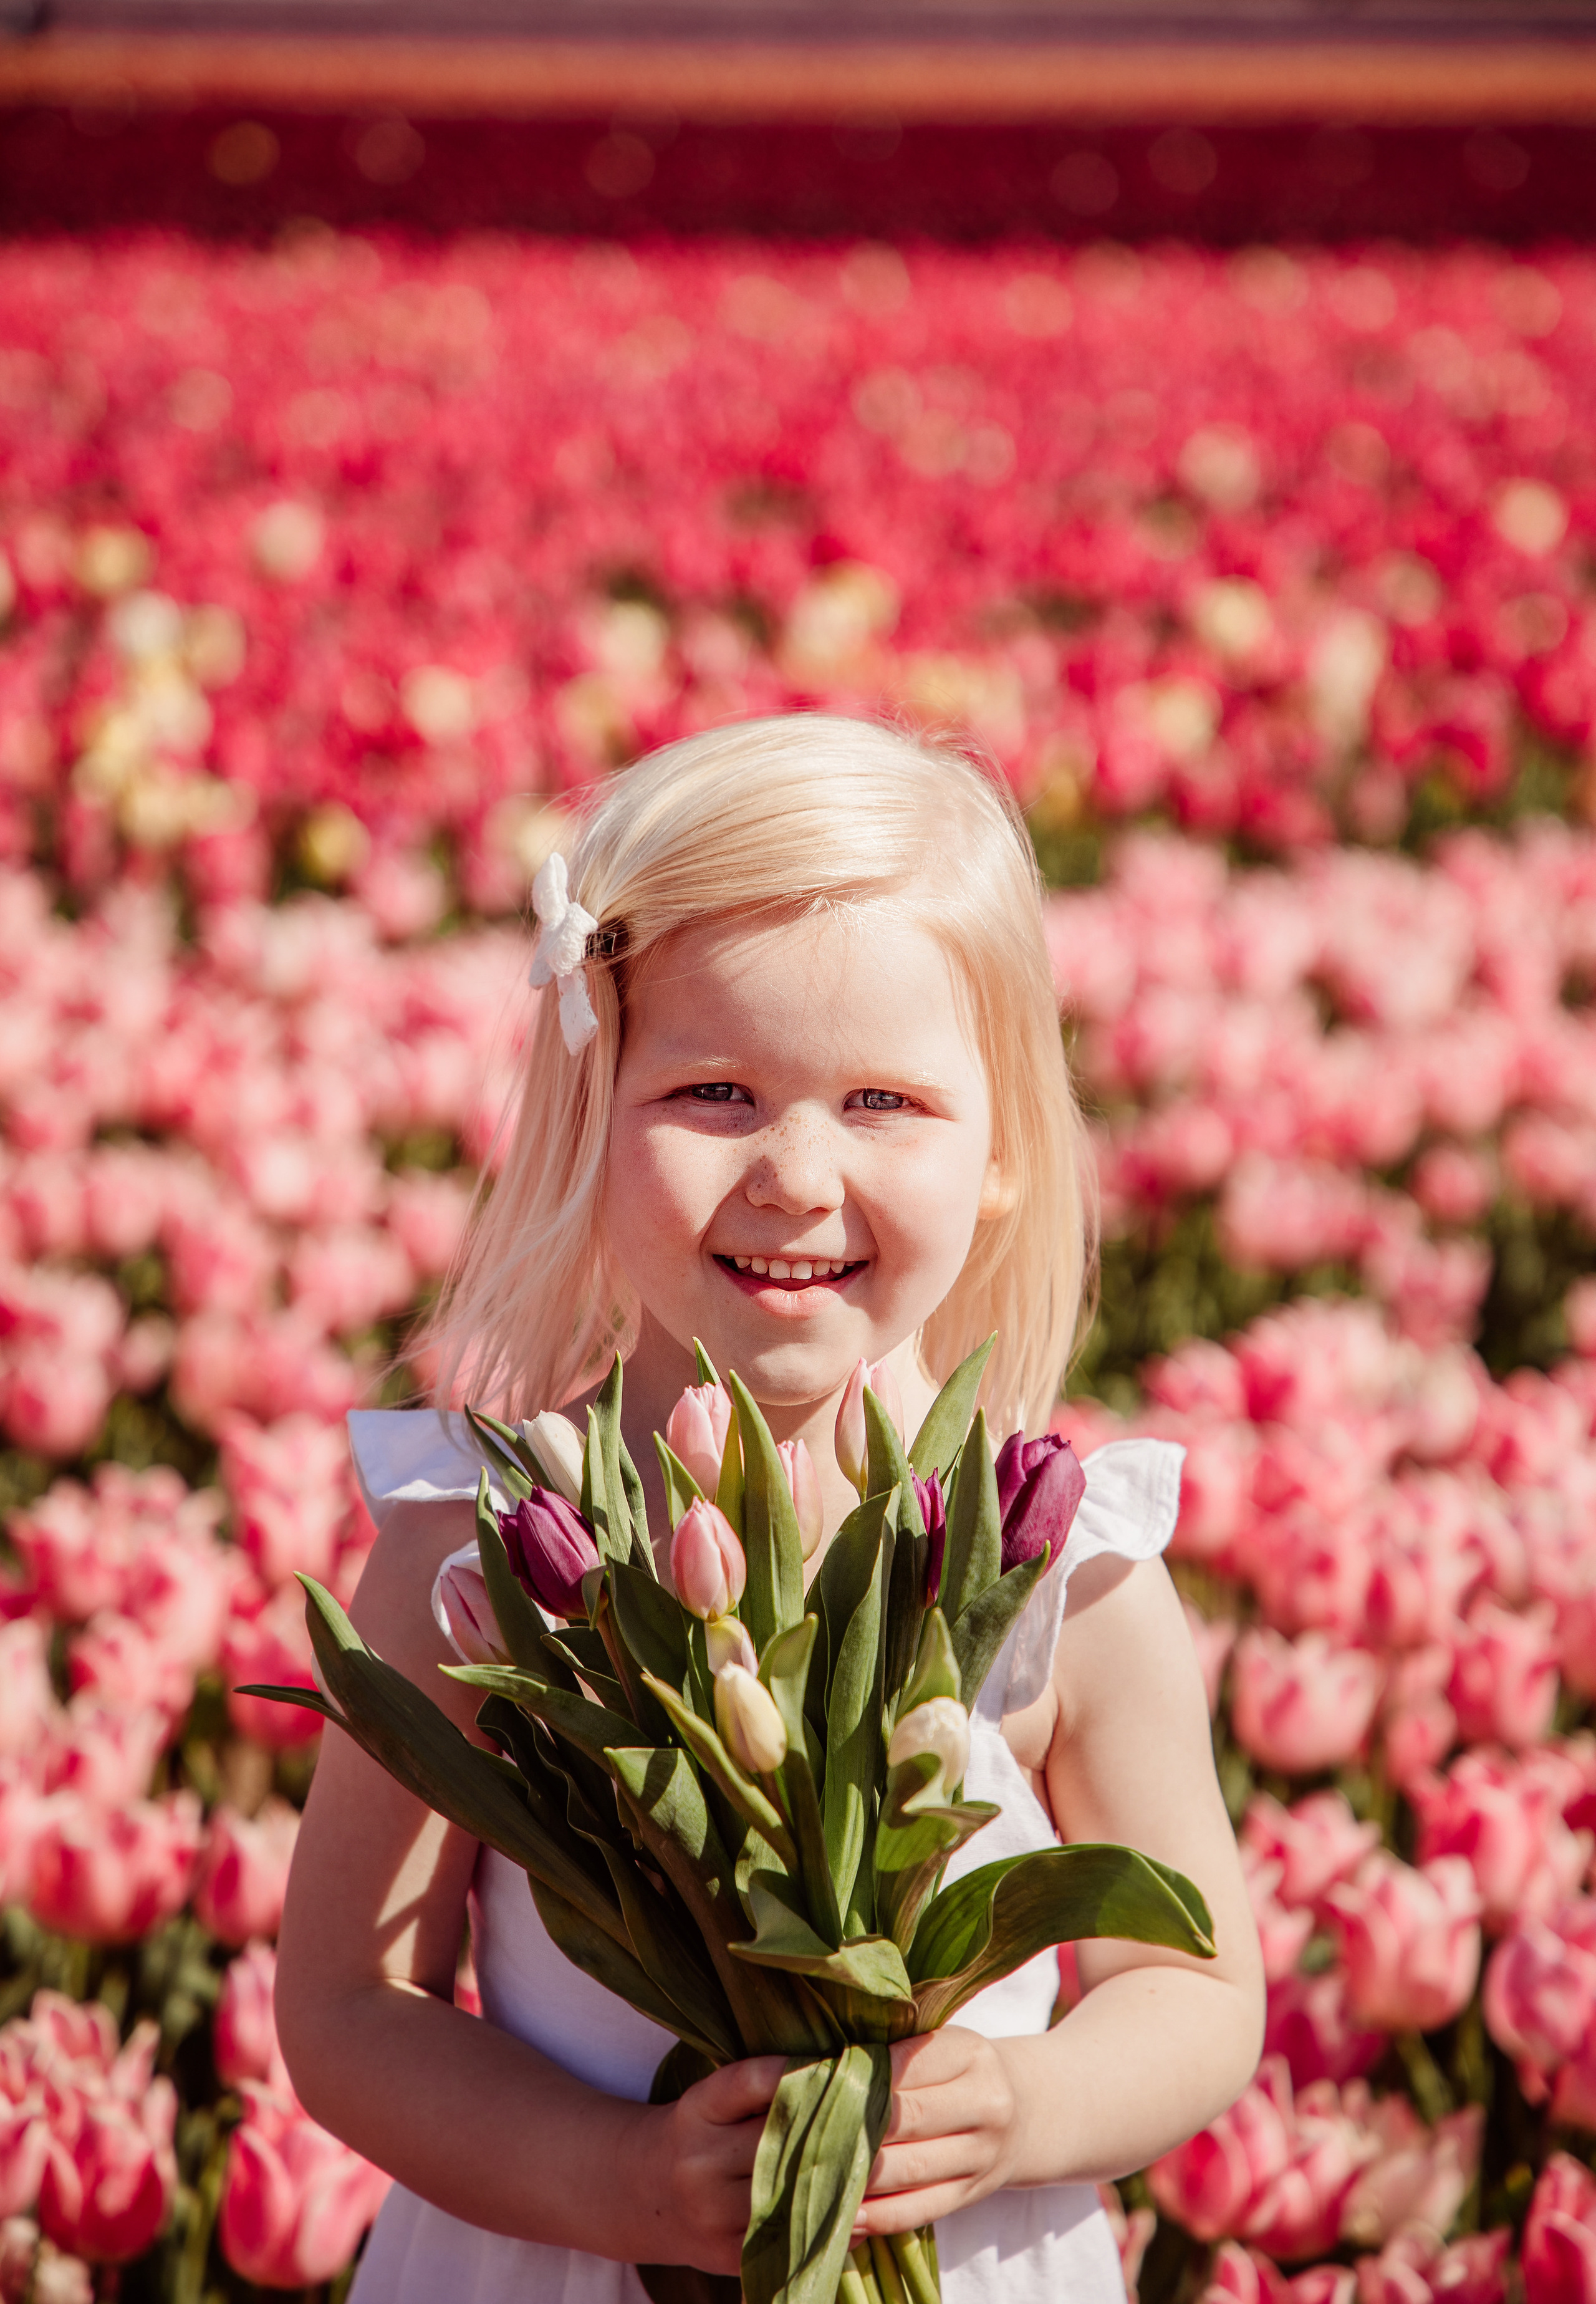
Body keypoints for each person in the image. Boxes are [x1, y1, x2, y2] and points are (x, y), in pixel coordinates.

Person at [276, 713, 1264, 2304]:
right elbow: (349, 2007)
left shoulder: (1058, 1572)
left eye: (882, 1101)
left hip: (959, 2243)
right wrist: (612, 2180)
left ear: (1001, 1153)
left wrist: (1021, 2110)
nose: (797, 1173)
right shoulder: (480, 1554)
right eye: (716, 1090)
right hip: (564, 2255)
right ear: (587, 1111)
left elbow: (1197, 1992)